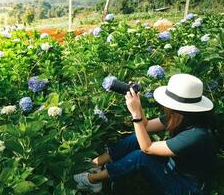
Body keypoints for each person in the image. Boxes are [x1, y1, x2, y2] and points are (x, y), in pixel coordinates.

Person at [73, 74, 217, 195]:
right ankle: (94, 164)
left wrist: (135, 115)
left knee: (140, 157)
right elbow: (146, 126)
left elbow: (147, 148)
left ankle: (92, 180)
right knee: (138, 137)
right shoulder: (183, 117)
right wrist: (138, 104)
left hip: (188, 188)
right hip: (175, 167)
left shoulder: (197, 135)